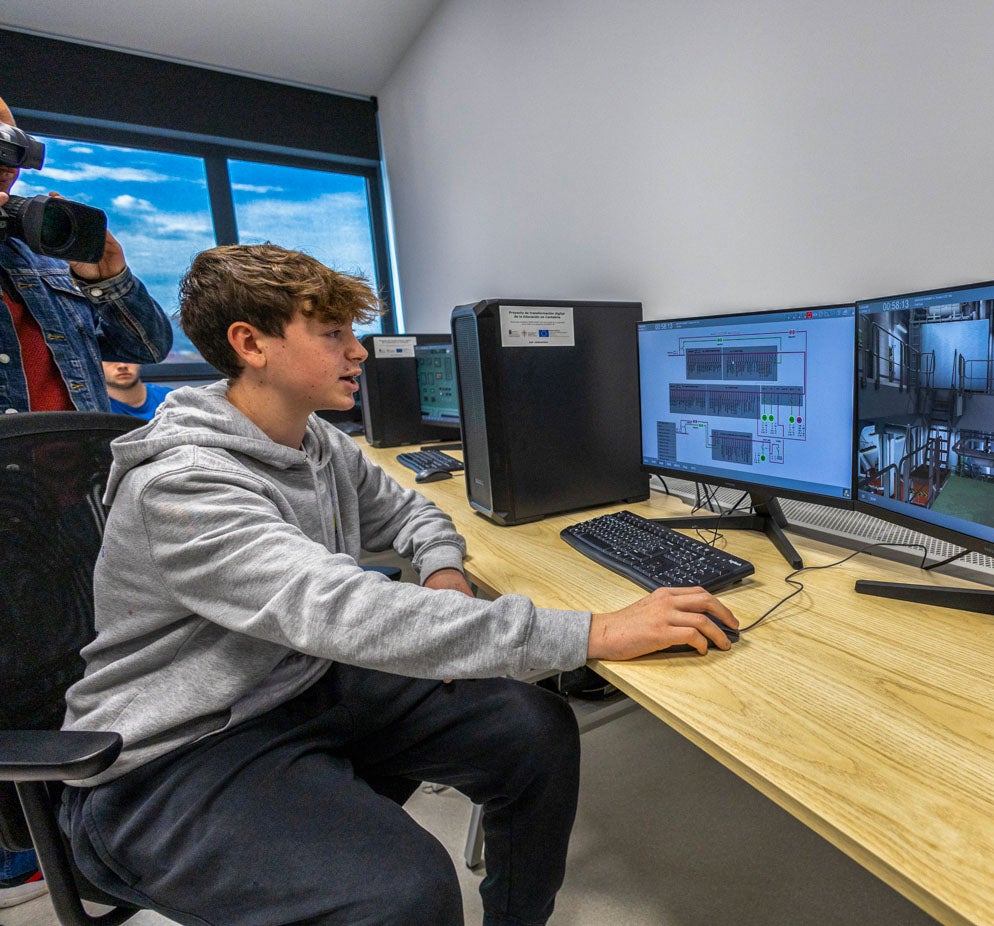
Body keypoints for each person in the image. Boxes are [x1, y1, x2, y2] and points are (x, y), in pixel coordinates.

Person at [59, 243, 737, 925]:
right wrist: (594, 631)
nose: (358, 352)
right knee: (403, 892)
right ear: (251, 344)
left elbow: (412, 510)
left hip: (296, 685)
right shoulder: (184, 484)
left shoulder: (315, 441)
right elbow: (344, 611)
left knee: (531, 727)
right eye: (332, 334)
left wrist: (443, 572)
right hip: (170, 757)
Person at [0, 92, 173, 908]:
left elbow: (149, 347)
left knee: (80, 672)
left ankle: (89, 831)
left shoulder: (38, 259)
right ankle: (19, 856)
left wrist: (109, 275)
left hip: (78, 510)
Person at [0, 95, 172, 415]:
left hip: (84, 460)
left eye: (14, 149)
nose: (9, 165)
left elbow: (148, 348)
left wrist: (110, 281)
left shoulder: (48, 260)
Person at [103, 361, 173, 420]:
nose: (122, 365)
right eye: (110, 360)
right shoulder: (96, 409)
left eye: (127, 358)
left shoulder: (170, 398)